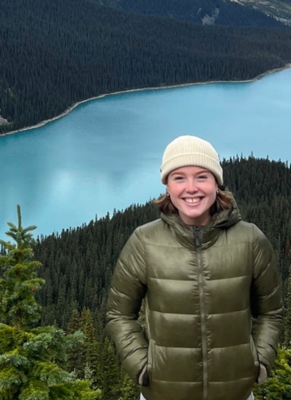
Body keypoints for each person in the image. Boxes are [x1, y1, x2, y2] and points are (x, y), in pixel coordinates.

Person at [106, 135, 283, 400]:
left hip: (235, 393)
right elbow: (119, 314)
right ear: (167, 186)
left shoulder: (250, 239)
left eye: (202, 176)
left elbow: (272, 312)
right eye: (179, 178)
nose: (191, 188)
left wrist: (258, 362)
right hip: (161, 394)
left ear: (216, 183)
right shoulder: (144, 241)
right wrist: (142, 367)